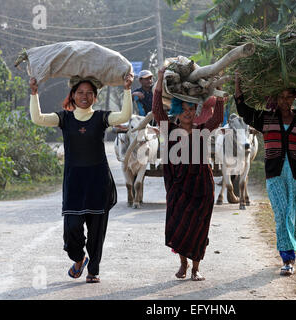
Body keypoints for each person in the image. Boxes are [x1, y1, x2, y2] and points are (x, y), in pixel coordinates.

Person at [29, 73, 134, 283]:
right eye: (80, 92)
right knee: (71, 230)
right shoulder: (64, 118)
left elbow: (123, 116)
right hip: (74, 182)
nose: (84, 96)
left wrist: (127, 89)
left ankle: (93, 270)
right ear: (73, 95)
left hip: (97, 182)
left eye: (89, 93)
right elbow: (38, 118)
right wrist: (34, 93)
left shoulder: (101, 117)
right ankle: (78, 258)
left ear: (95, 96)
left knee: (97, 231)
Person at [234, 71, 296, 276]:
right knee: (281, 214)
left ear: (294, 98)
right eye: (281, 97)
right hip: (275, 174)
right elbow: (243, 110)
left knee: (294, 215)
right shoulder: (265, 118)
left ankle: (291, 249)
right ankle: (287, 258)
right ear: (274, 99)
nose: (285, 101)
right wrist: (238, 83)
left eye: (288, 96)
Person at [153, 66, 224, 281]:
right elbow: (157, 110)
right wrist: (158, 79)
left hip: (202, 187)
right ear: (177, 109)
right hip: (178, 186)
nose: (187, 112)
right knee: (179, 226)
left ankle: (196, 268)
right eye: (183, 108)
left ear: (196, 111)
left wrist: (219, 92)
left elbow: (218, 118)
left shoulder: (203, 132)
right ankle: (183, 265)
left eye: (191, 109)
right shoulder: (169, 130)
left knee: (199, 227)